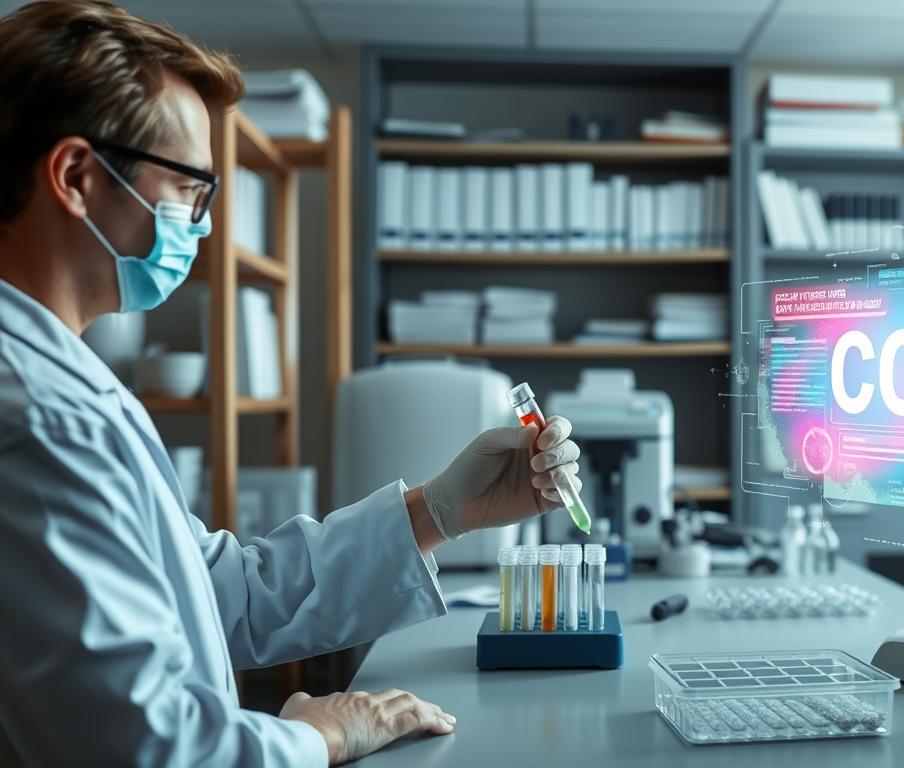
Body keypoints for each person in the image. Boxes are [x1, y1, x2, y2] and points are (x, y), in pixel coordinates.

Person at [0, 2, 583, 764]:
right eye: (187, 189)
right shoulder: (42, 419)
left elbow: (217, 595)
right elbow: (149, 749)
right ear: (77, 176)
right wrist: (318, 733)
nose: (201, 225)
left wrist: (442, 508)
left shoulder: (58, 382)